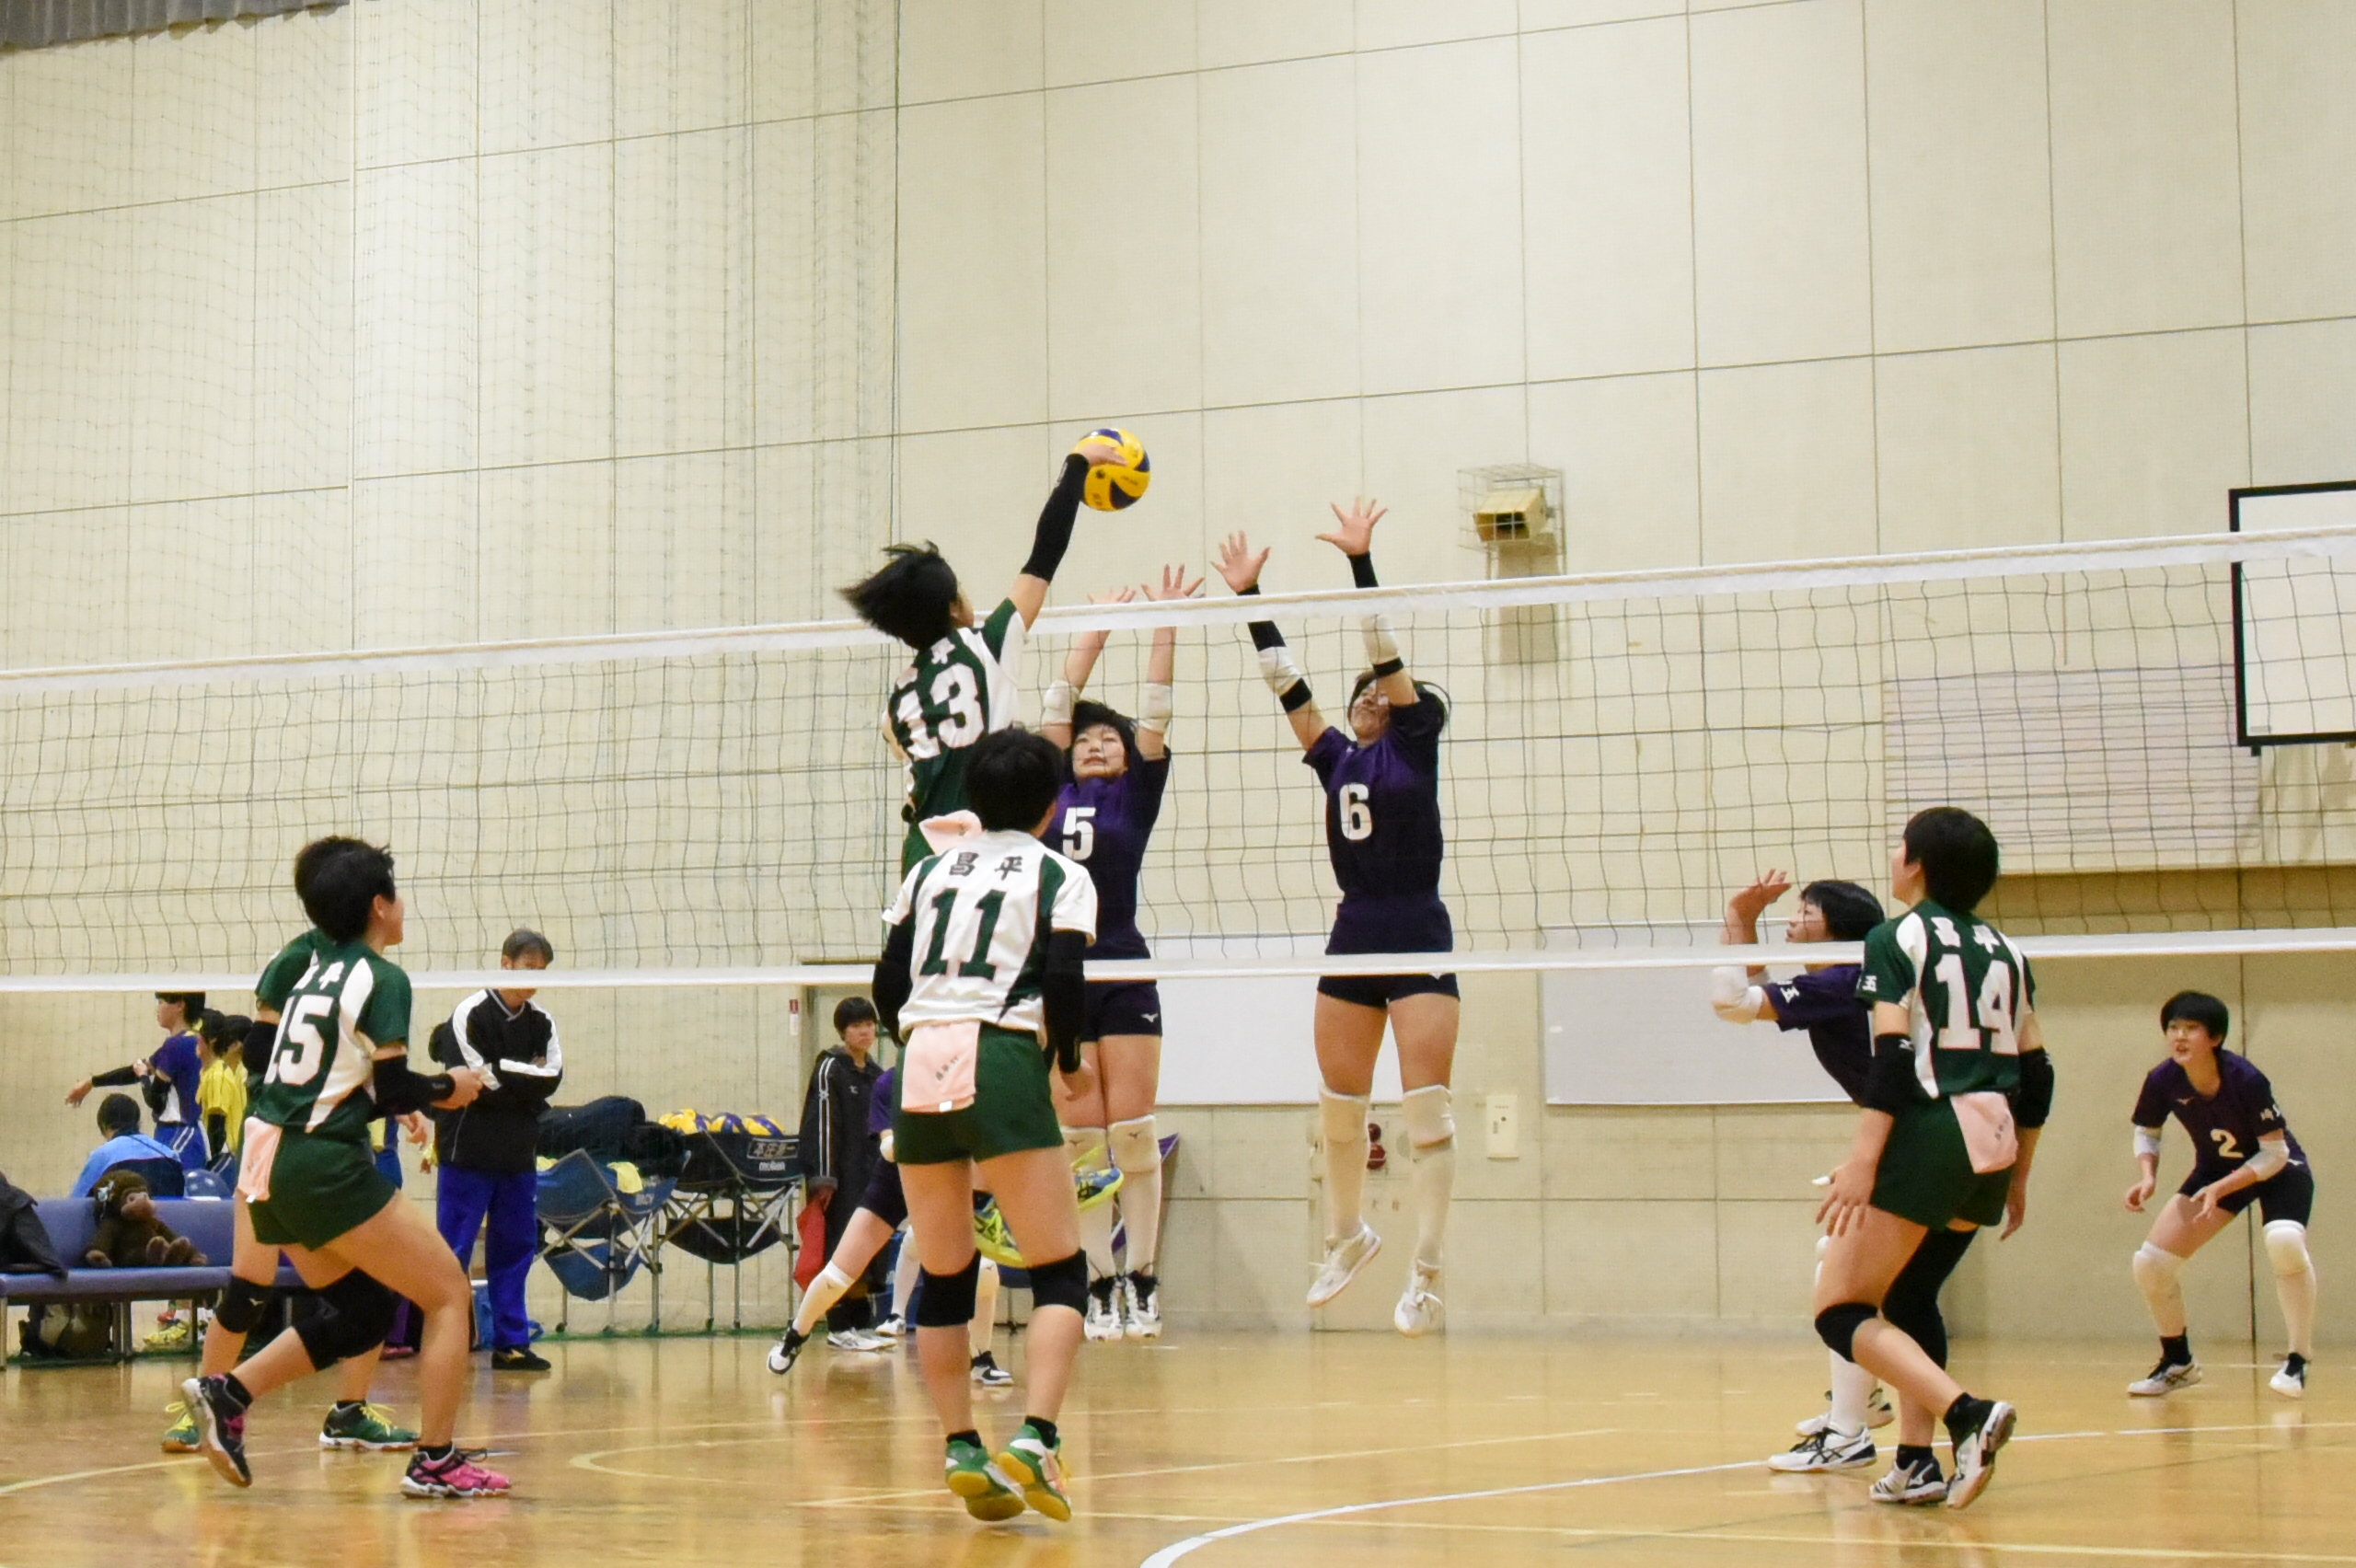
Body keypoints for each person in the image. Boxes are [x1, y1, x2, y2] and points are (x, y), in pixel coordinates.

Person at [179, 839, 506, 1500]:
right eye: (397, 894)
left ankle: (227, 1393)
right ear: (379, 905)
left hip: (273, 1161)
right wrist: (449, 1087)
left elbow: (320, 1071)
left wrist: (396, 1099)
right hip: (321, 1161)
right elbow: (394, 1086)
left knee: (365, 1309)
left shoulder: (310, 971)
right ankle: (436, 1460)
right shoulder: (383, 978)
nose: (403, 905)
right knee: (448, 1294)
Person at [1214, 501, 1459, 1336]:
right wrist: (1250, 598)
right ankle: (1347, 1236)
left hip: (1417, 926)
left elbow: (1383, 652)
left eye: (1384, 692)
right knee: (1340, 1107)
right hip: (1355, 931)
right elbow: (1285, 682)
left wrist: (1361, 563)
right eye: (1364, 693)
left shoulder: (1414, 741)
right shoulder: (1335, 758)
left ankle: (1427, 1271)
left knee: (1426, 1110)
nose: (1372, 696)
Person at [872, 728, 1099, 1523]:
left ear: (972, 795)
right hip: (1000, 1054)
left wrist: (921, 1041)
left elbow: (887, 983)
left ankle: (962, 1446)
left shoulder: (928, 869)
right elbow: (1064, 978)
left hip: (919, 1059)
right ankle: (1036, 1440)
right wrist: (1068, 1062)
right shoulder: (1060, 873)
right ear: (1051, 806)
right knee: (1060, 1269)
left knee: (945, 1274)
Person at [1816, 807, 2052, 1511]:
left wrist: (1864, 1160)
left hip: (1932, 1132)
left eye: (1899, 846)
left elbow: (1892, 1058)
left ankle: (1968, 1415)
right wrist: (2021, 1174)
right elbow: (2039, 1075)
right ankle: (1915, 1462)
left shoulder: (1894, 937)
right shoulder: (2008, 951)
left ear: (1917, 863)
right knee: (1911, 1297)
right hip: (1994, 1141)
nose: (1892, 855)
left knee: (1840, 1311)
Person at [161, 837, 423, 1456]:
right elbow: (258, 1052)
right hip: (279, 1138)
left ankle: (350, 1409)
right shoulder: (297, 961)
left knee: (368, 1286)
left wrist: (392, 1096)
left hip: (337, 1141)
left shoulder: (368, 968)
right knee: (250, 1283)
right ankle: (200, 1405)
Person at [843, 431, 1128, 873]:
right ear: (954, 606)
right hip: (983, 848)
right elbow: (1044, 554)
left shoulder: (898, 701)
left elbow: (904, 748)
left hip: (922, 856)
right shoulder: (988, 646)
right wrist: (1077, 464)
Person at [1039, 564, 1197, 1340]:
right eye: (1087, 740)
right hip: (1060, 972)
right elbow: (1056, 707)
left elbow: (1157, 708)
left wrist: (1163, 622)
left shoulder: (1136, 792)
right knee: (1080, 1142)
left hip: (1124, 963)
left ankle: (1144, 1277)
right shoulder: (1048, 795)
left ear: (1129, 757)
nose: (1098, 745)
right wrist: (1093, 631)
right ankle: (1099, 1281)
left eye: (1111, 739)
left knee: (1133, 1131)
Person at [2122, 990, 2316, 1401]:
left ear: (2214, 1037)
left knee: (2284, 1241)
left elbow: (2274, 1153)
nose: (2179, 1036)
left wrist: (2223, 1188)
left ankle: (2298, 1360)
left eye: (2191, 1028)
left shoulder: (2246, 1079)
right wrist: (2147, 1176)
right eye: (2173, 1027)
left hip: (2278, 1169)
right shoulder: (2163, 1079)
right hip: (2216, 1170)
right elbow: (2147, 1130)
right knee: (2151, 1265)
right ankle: (2178, 1363)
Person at [769, 1064, 1013, 1387]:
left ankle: (981, 1359)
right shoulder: (890, 1082)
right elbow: (888, 1146)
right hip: (893, 1183)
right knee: (838, 1274)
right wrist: (923, 1140)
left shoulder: (964, 1078)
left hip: (942, 1185)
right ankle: (795, 1334)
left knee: (986, 1273)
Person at [432, 928, 564, 1374]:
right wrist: (523, 1076)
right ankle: (445, 1339)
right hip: (467, 1150)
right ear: (505, 963)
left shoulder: (542, 1022)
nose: (533, 980)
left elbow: (552, 1077)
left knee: (516, 1247)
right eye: (527, 968)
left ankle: (511, 1343)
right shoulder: (469, 1013)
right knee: (453, 1249)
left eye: (541, 972)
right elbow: (473, 1079)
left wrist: (502, 1072)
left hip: (517, 1153)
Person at [793, 997, 889, 1350]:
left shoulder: (878, 1075)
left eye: (869, 1024)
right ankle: (838, 1324)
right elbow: (820, 1123)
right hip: (838, 1178)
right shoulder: (830, 1069)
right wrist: (823, 1176)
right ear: (843, 1032)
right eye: (857, 1025)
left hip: (871, 1174)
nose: (865, 1032)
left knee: (868, 1249)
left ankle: (861, 1324)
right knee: (838, 1247)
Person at [64, 994, 209, 1172]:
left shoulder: (177, 1045)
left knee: (176, 1186)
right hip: (178, 1132)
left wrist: (143, 1077)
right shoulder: (185, 1042)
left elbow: (155, 1100)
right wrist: (92, 1082)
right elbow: (133, 1071)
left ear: (180, 1005)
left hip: (180, 1132)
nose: (157, 1008)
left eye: (161, 1002)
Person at [70, 1095, 181, 1198]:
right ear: (138, 1123)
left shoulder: (101, 1156)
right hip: (167, 1213)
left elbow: (77, 1203)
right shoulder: (169, 1155)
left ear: (104, 1128)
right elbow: (184, 1202)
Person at [194, 1011, 252, 1170]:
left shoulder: (226, 1075)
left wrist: (212, 1162)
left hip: (228, 1154)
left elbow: (217, 1126)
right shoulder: (209, 1071)